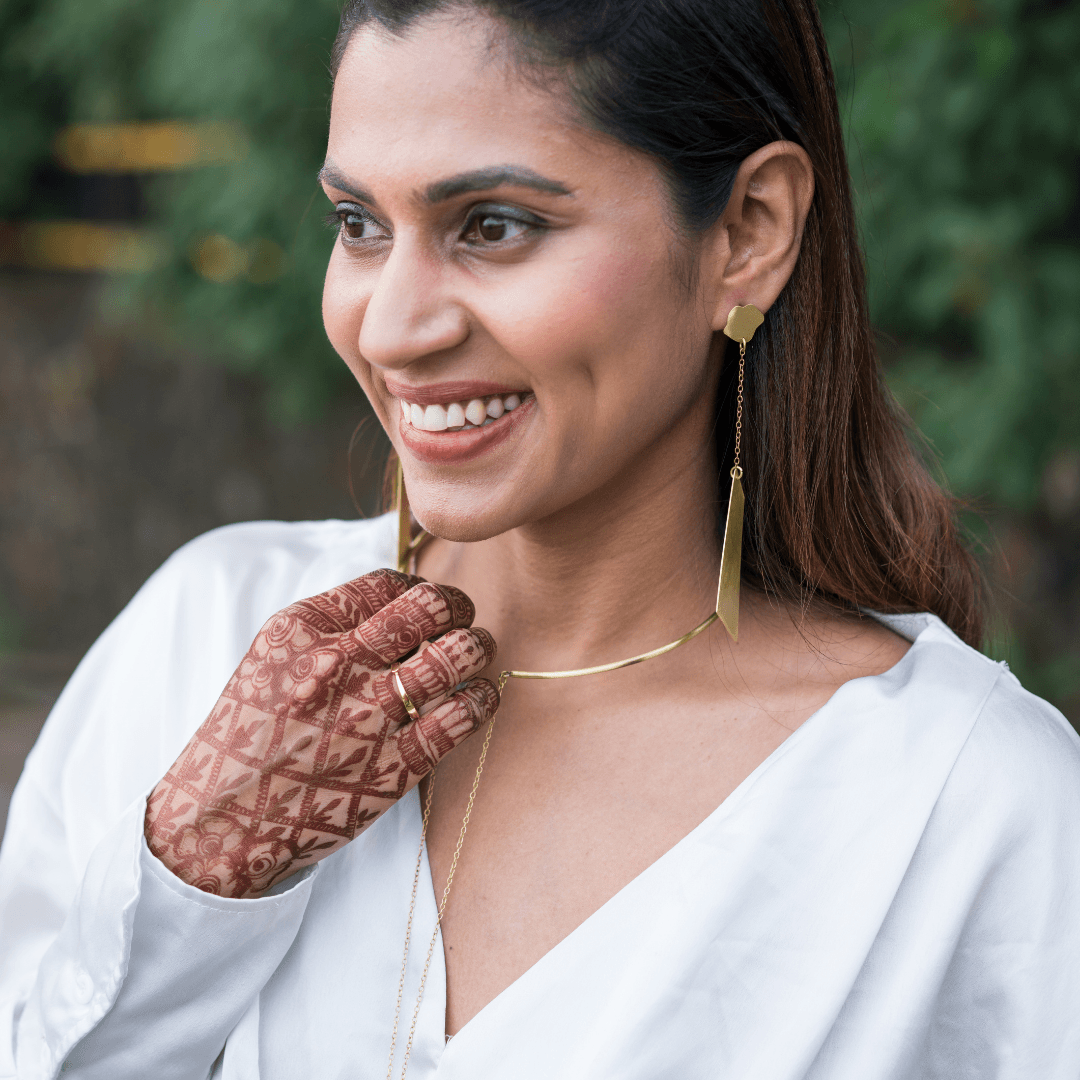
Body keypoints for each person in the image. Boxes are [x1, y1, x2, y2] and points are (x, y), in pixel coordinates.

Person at [2, 0, 1079, 1077]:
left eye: (493, 226)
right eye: (359, 225)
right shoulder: (210, 634)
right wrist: (187, 886)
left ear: (749, 232)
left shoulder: (968, 807)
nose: (389, 328)